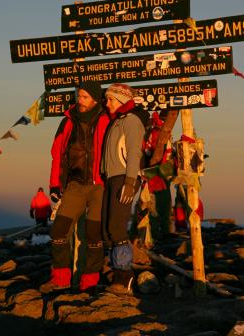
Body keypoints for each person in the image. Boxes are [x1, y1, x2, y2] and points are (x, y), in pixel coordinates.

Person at [40, 80, 109, 294]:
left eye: (85, 97)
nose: (80, 100)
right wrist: (54, 184)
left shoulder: (108, 120)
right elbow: (56, 154)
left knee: (93, 234)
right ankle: (60, 278)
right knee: (59, 231)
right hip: (74, 185)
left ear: (96, 99)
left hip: (100, 185)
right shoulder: (68, 122)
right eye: (79, 96)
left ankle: (89, 281)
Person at [101, 83, 148, 294]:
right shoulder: (116, 122)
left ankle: (125, 276)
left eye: (110, 99)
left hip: (125, 179)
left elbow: (134, 152)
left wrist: (130, 182)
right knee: (108, 229)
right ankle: (116, 274)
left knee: (117, 227)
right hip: (112, 178)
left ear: (120, 100)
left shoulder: (131, 121)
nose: (107, 103)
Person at [142, 110, 173, 238]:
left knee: (159, 205)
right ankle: (157, 234)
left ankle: (159, 232)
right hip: (156, 174)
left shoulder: (158, 132)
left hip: (160, 174)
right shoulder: (157, 133)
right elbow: (149, 152)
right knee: (157, 205)